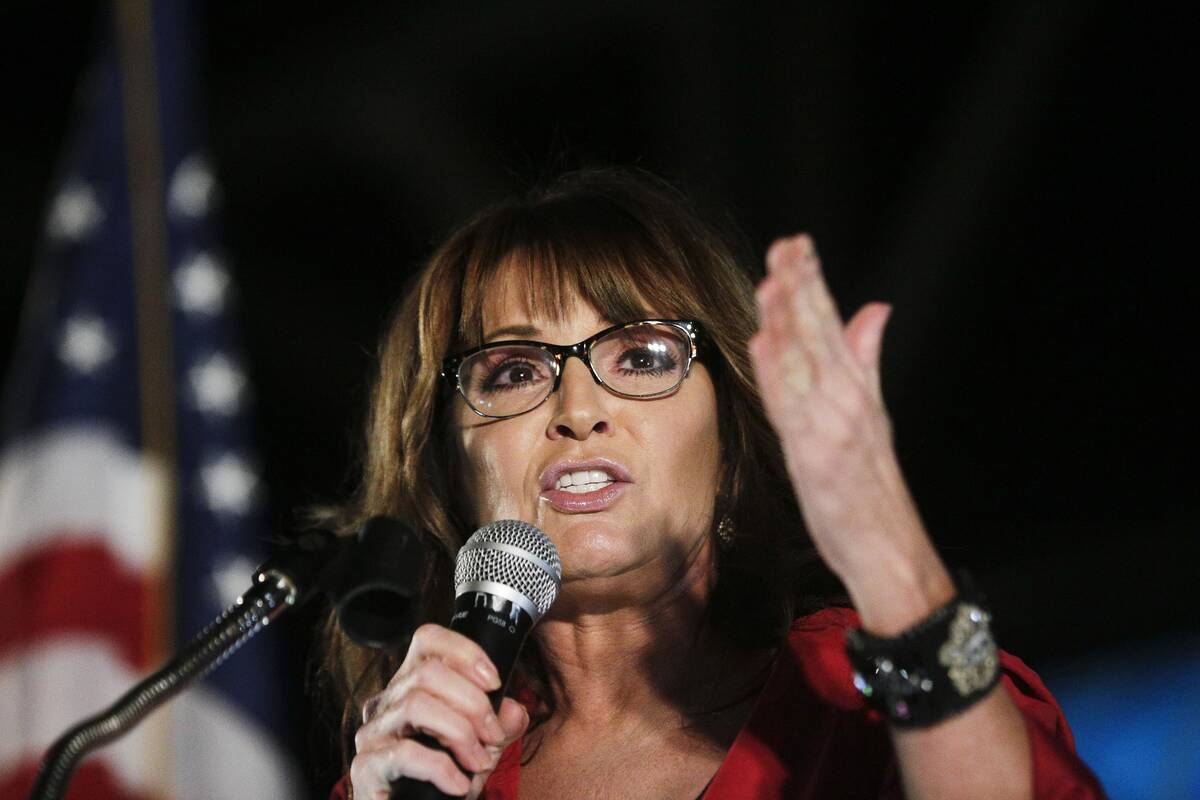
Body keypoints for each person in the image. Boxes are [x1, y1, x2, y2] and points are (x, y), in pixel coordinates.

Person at [322, 168, 1105, 799]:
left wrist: (892, 559)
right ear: (448, 467)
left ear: (729, 445)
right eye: (515, 372)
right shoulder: (415, 772)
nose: (579, 411)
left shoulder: (859, 701)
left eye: (641, 358)